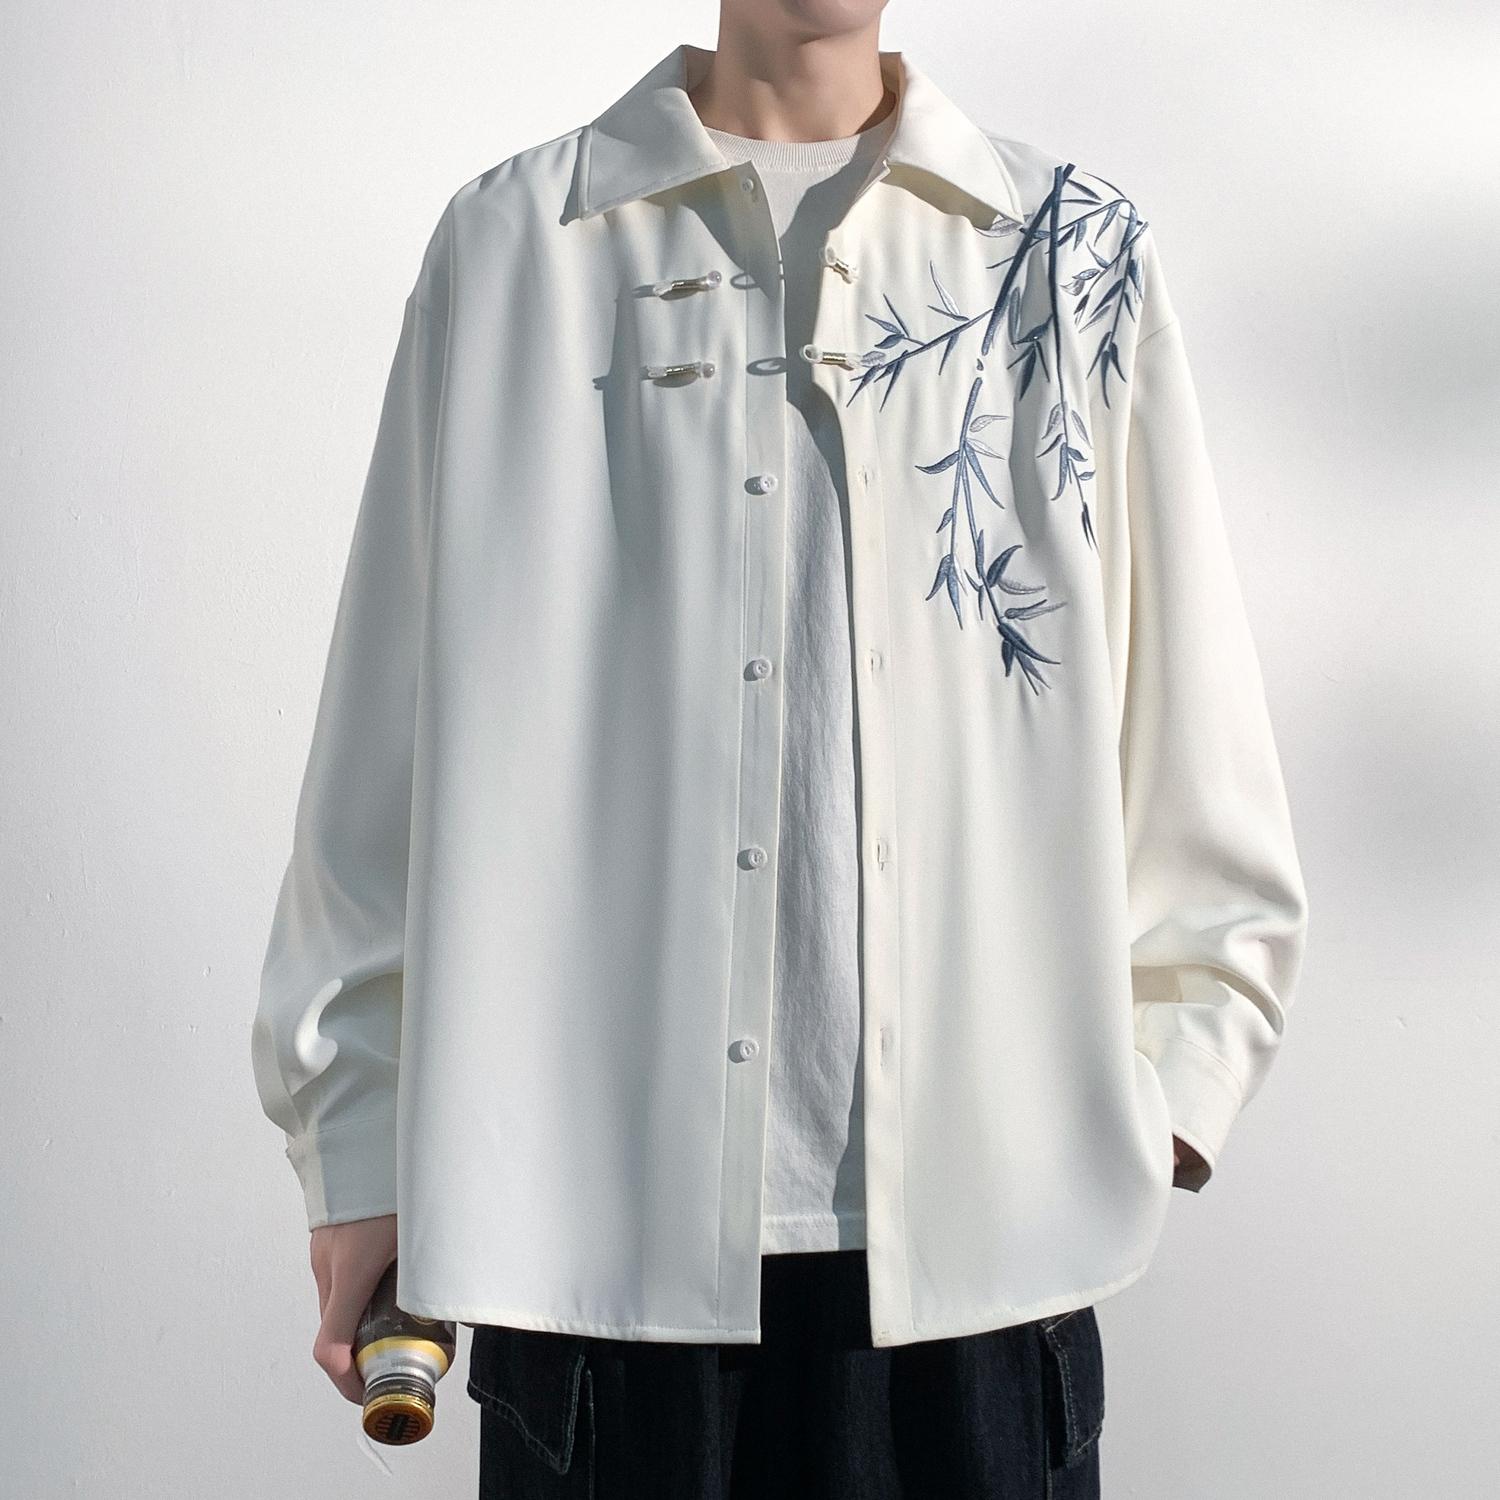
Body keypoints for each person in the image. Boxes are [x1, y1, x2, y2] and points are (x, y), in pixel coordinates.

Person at [253, 3, 1308, 1495]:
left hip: (985, 1263)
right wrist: (359, 1142)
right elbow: (382, 742)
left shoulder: (1066, 250)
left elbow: (1193, 721)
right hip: (593, 1252)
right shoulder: (516, 246)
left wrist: (1163, 1098)